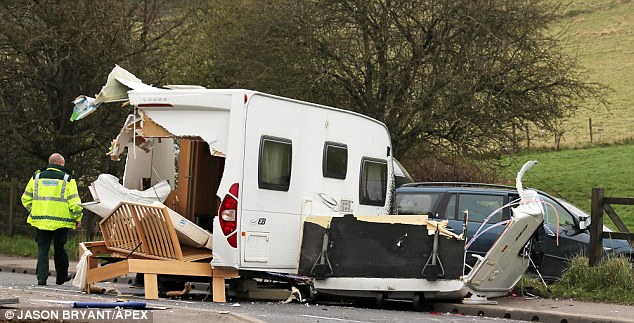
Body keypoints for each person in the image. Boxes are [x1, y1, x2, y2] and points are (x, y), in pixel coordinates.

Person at [21, 153, 83, 286]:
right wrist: (78, 217)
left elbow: (25, 198)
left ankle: (41, 279)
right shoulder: (67, 179)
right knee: (59, 248)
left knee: (42, 249)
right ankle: (61, 277)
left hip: (40, 220)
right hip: (61, 221)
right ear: (61, 163)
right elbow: (74, 202)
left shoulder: (36, 177)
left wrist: (34, 210)